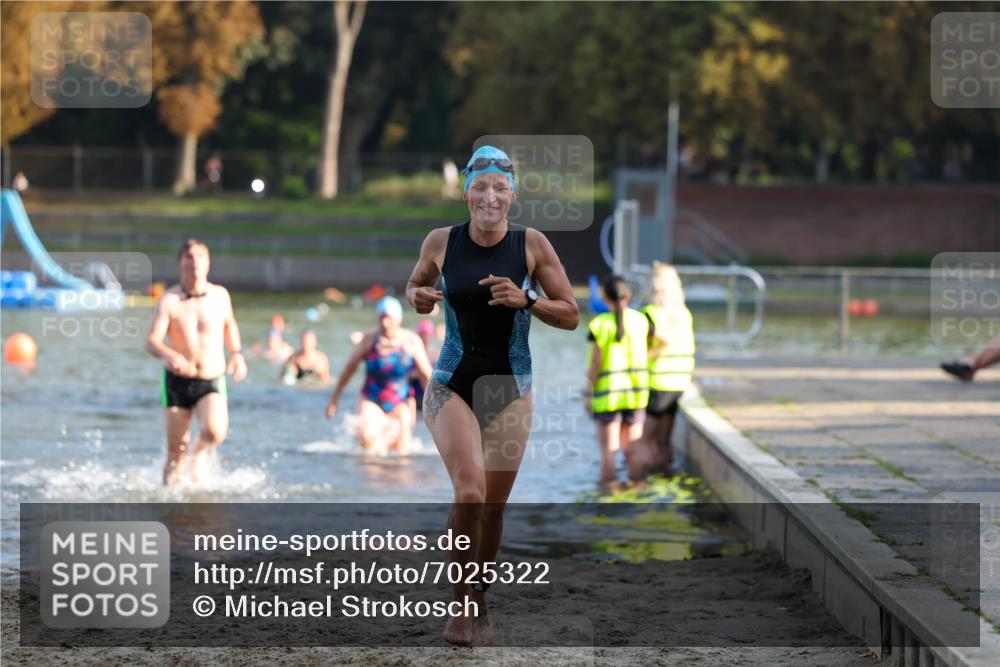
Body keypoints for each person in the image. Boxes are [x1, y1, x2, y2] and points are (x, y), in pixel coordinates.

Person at [405, 145, 579, 647]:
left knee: (494, 509)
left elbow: (570, 314)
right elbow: (417, 288)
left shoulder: (532, 245)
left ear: (512, 195)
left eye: (499, 188)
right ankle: (460, 609)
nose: (489, 196)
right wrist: (416, 295)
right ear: (465, 192)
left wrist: (528, 300)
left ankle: (478, 599)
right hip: (450, 383)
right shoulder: (441, 241)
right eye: (480, 186)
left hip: (511, 386)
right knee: (470, 491)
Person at [145, 239, 247, 485]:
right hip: (177, 381)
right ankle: (169, 505)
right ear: (180, 263)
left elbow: (230, 325)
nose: (195, 262)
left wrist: (236, 354)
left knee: (214, 432)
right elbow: (152, 341)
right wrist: (168, 354)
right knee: (175, 452)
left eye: (200, 256)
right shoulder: (170, 300)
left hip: (210, 378)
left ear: (208, 262)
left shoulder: (220, 296)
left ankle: (198, 451)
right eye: (189, 257)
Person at [326, 296, 433, 455]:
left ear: (398, 319)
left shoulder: (411, 341)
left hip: (401, 401)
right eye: (381, 318)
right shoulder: (370, 340)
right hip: (372, 398)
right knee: (367, 439)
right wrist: (334, 399)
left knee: (402, 451)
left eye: (388, 318)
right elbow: (349, 370)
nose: (385, 323)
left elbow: (426, 374)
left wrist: (436, 405)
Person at [639, 262, 695, 474]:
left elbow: (657, 345)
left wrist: (641, 359)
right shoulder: (684, 313)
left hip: (657, 382)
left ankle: (641, 484)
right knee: (663, 441)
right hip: (678, 382)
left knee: (643, 441)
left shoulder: (650, 314)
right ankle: (665, 480)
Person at [409, 318, 439, 412]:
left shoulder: (436, 355)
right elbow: (403, 377)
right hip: (416, 397)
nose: (424, 337)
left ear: (431, 335)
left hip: (429, 397)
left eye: (426, 334)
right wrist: (417, 373)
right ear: (418, 335)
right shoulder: (411, 354)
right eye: (422, 334)